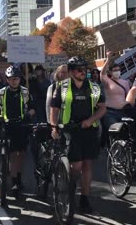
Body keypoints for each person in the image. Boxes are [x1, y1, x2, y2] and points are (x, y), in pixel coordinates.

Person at [50, 56, 106, 213]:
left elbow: (102, 108)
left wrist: (90, 120)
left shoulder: (94, 87)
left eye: (84, 69)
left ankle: (84, 199)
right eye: (79, 69)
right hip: (70, 131)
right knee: (77, 165)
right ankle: (70, 181)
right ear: (71, 71)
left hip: (89, 130)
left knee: (88, 165)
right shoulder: (62, 87)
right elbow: (54, 109)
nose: (83, 72)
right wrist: (54, 127)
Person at [0, 66, 35, 197]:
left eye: (16, 79)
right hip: (6, 127)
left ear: (20, 79)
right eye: (11, 79)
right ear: (7, 80)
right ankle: (13, 181)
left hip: (22, 126)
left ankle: (18, 178)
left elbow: (32, 108)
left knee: (21, 155)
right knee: (13, 156)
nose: (14, 81)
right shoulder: (0, 93)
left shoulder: (25, 92)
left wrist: (28, 114)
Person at [100, 51, 131, 147]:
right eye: (115, 70)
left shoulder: (125, 82)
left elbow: (129, 96)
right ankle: (113, 153)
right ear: (110, 72)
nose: (117, 71)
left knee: (124, 134)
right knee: (114, 133)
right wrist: (108, 60)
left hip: (123, 112)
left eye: (118, 70)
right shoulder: (107, 81)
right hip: (110, 113)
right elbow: (102, 74)